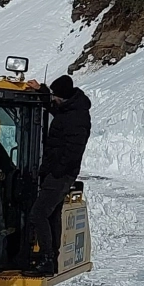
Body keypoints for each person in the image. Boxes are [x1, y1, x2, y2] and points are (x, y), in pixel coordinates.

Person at [29, 75, 90, 272]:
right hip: (58, 173)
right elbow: (54, 107)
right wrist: (42, 90)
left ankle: (47, 258)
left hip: (60, 175)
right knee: (52, 215)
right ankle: (51, 259)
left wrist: (56, 171)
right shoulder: (69, 109)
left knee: (38, 214)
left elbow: (73, 151)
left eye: (55, 95)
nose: (53, 99)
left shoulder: (76, 118)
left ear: (63, 97)